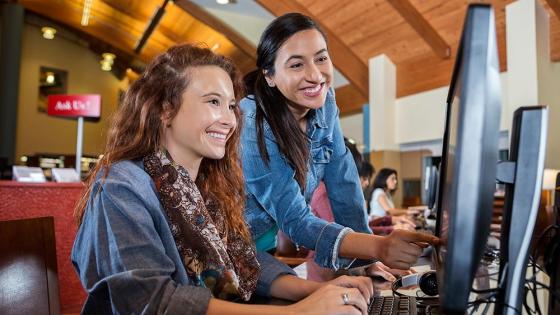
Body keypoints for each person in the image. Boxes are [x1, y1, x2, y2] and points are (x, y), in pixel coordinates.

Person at [71, 44, 374, 315]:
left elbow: (245, 261)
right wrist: (299, 313)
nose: (230, 119)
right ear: (166, 110)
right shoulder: (121, 188)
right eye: (213, 102)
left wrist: (317, 292)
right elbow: (154, 302)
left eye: (231, 105)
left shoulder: (203, 188)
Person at [241, 12, 438, 273]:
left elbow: (343, 183)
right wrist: (377, 247)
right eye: (296, 65)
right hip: (228, 242)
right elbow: (296, 220)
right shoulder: (253, 121)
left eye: (321, 58)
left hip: (264, 242)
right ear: (269, 76)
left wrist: (368, 261)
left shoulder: (326, 102)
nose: (315, 75)